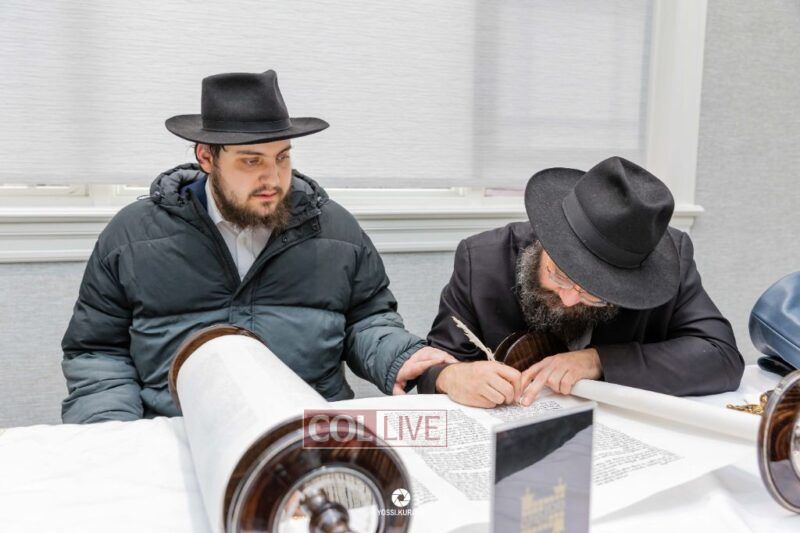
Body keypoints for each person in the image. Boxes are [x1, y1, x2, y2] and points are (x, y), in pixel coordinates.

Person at [61, 69, 453, 423]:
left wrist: (400, 355)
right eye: (251, 161)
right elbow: (98, 351)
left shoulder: (335, 229)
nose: (273, 178)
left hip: (305, 427)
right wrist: (112, 431)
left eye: (282, 158)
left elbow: (367, 319)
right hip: (177, 431)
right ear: (206, 157)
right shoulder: (132, 235)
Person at [418, 156, 744, 408]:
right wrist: (451, 376)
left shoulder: (667, 262)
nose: (570, 299)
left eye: (596, 294)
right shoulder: (482, 260)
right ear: (545, 240)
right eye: (559, 275)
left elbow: (721, 357)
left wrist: (599, 360)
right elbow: (434, 363)